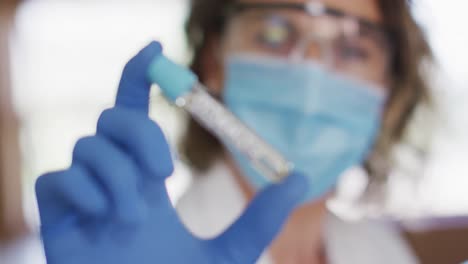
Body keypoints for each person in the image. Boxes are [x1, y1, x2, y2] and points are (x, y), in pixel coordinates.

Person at [35, 0, 432, 263]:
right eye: (275, 34)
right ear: (214, 62)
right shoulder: (144, 249)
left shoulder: (381, 251)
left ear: (389, 92)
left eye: (352, 50)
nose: (311, 75)